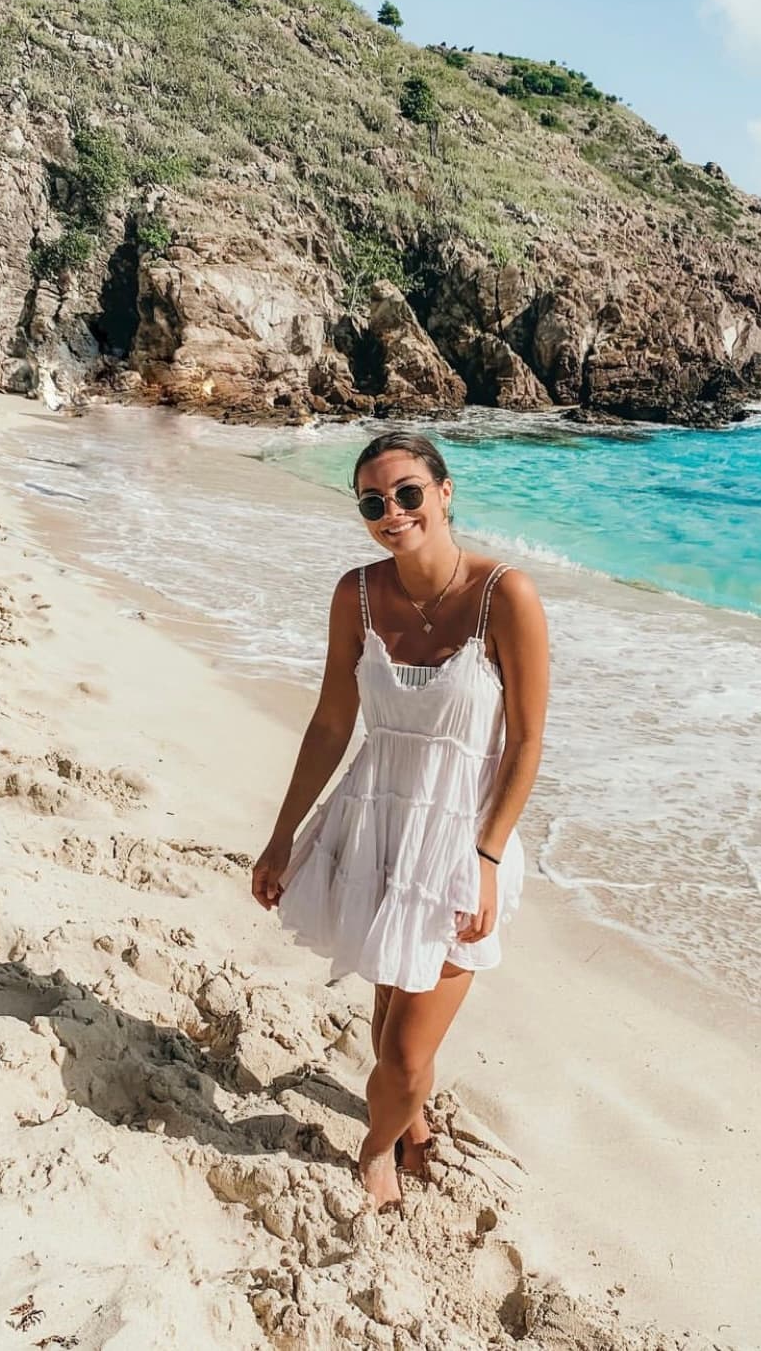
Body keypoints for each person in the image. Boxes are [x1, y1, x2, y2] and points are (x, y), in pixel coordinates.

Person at [251, 430, 549, 1210]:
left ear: (444, 493)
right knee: (389, 1014)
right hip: (373, 826)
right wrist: (283, 835)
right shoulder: (355, 594)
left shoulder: (505, 595)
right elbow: (330, 723)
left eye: (408, 492)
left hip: (459, 841)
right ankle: (409, 1122)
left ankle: (375, 1145)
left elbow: (525, 742)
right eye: (373, 502)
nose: (393, 512)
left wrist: (486, 857)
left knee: (409, 1048)